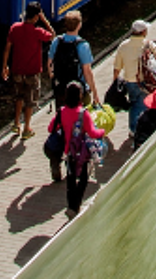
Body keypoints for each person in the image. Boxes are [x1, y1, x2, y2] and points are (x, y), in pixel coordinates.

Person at [47, 80, 107, 217]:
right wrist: (102, 132)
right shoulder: (83, 113)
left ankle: (70, 206)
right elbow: (92, 133)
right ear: (80, 95)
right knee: (84, 179)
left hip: (69, 151)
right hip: (82, 152)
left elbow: (51, 128)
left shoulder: (61, 112)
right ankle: (76, 206)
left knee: (71, 179)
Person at [1, 2, 55, 139]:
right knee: (30, 100)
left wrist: (4, 66)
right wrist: (44, 20)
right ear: (36, 16)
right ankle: (27, 128)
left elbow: (7, 48)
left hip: (17, 70)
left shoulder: (15, 28)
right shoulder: (38, 32)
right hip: (32, 71)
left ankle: (16, 123)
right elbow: (53, 35)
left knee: (18, 96)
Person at [111, 21, 156, 138]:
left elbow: (117, 67)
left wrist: (115, 82)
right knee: (144, 105)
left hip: (129, 81)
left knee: (134, 104)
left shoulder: (123, 46)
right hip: (145, 81)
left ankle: (132, 129)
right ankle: (141, 129)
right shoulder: (148, 44)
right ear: (143, 32)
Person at [46, 11, 98, 105]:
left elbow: (50, 63)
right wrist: (95, 93)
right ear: (79, 25)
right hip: (78, 90)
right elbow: (87, 72)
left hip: (61, 88)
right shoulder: (83, 45)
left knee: (62, 116)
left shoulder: (56, 41)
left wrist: (54, 80)